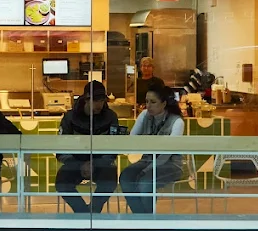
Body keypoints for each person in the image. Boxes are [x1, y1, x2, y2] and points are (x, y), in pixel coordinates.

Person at [54, 82, 122, 214]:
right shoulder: (70, 117)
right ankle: (84, 213)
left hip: (102, 163)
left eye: (102, 100)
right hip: (75, 162)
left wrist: (95, 163)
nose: (99, 104)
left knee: (109, 181)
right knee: (62, 183)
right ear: (86, 99)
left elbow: (113, 148)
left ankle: (92, 212)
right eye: (95, 100)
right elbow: (61, 149)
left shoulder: (110, 117)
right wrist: (79, 165)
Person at [118, 83, 184, 214]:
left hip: (171, 164)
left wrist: (146, 170)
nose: (148, 106)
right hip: (147, 160)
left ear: (164, 104)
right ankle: (142, 217)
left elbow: (167, 154)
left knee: (145, 183)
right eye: (147, 101)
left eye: (153, 102)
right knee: (125, 177)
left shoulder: (177, 122)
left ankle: (147, 220)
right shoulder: (144, 115)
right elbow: (133, 138)